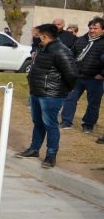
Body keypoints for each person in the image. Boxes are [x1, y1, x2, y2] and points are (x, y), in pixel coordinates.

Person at [16, 23, 78, 168]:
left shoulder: (61, 50)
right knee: (38, 123)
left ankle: (51, 155)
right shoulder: (42, 48)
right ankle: (34, 149)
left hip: (51, 95)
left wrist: (66, 89)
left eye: (36, 36)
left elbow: (72, 74)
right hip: (37, 92)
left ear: (44, 36)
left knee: (50, 125)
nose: (34, 38)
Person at [58, 16, 103, 133]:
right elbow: (72, 54)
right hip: (78, 76)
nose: (92, 30)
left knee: (93, 103)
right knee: (70, 99)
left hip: (95, 78)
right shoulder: (82, 40)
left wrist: (102, 74)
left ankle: (88, 124)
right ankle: (66, 121)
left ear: (102, 30)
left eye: (95, 28)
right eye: (90, 28)